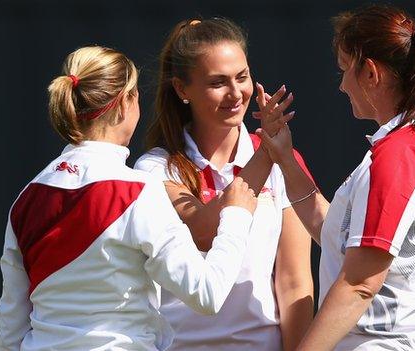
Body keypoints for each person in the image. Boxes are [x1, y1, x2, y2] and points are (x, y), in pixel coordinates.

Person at [0, 45, 259, 351]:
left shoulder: (27, 199)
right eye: (136, 96)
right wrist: (236, 215)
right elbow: (206, 293)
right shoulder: (138, 191)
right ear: (125, 104)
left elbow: (11, 328)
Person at [255, 5, 415, 350]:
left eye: (345, 70)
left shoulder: (400, 154)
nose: (343, 85)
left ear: (371, 73)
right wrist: (285, 158)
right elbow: (344, 240)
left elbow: (360, 282)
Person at [134, 18, 314, 350]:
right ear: (181, 89)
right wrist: (267, 153)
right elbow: (203, 233)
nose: (235, 93)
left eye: (242, 77)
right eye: (218, 82)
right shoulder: (156, 168)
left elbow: (294, 282)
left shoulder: (284, 160)